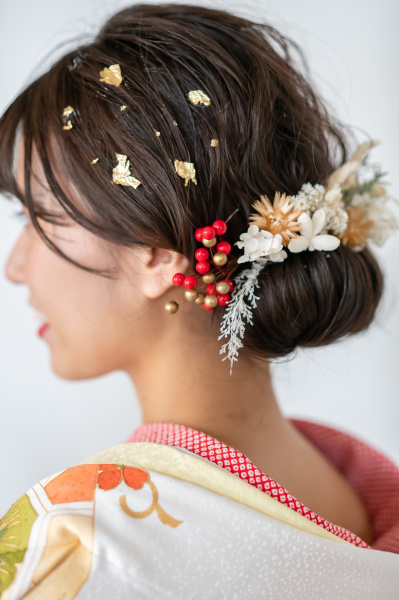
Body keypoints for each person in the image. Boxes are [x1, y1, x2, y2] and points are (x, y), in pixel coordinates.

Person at [0, 3, 398, 598]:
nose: (15, 267)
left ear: (159, 254)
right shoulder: (355, 487)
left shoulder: (83, 539)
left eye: (44, 218)